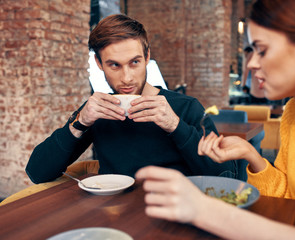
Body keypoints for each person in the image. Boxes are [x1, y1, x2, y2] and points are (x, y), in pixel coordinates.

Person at [135, 0, 295, 239]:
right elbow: (288, 197)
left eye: (262, 50)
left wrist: (204, 209)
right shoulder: (294, 112)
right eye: (251, 50)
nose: (251, 63)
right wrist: (251, 154)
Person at [26, 14, 234, 184]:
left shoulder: (186, 108)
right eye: (114, 65)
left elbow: (225, 177)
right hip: (114, 217)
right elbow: (37, 173)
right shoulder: (99, 110)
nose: (126, 78)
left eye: (134, 62)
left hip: (171, 217)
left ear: (147, 57)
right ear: (99, 63)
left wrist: (175, 125)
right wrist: (79, 123)